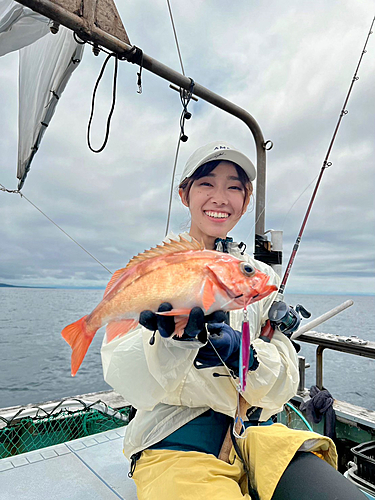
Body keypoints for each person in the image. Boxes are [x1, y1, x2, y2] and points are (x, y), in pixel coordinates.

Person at [101, 141, 366, 500]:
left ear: (246, 199)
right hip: (173, 443)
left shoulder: (255, 277)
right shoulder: (154, 274)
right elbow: (126, 379)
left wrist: (246, 356)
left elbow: (285, 382)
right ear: (185, 194)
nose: (220, 198)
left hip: (257, 434)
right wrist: (170, 345)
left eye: (234, 187)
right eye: (207, 184)